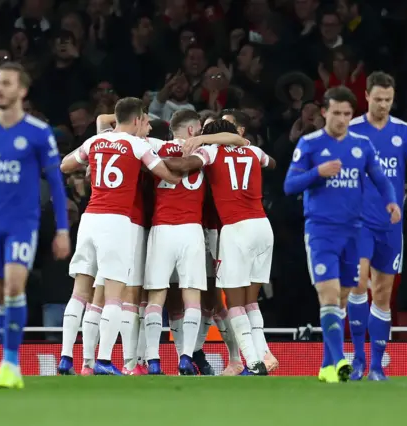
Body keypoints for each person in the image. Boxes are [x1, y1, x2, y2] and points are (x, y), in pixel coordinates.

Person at [0, 62, 71, 390]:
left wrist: (62, 229)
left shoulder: (37, 132)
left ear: (22, 90)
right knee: (0, 296)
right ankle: (8, 362)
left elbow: (57, 184)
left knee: (15, 285)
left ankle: (10, 363)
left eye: (6, 84)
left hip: (23, 223)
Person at [283, 86, 401, 384]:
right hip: (322, 231)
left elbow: (380, 178)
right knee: (330, 295)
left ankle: (325, 366)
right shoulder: (309, 145)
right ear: (325, 112)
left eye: (347, 114)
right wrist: (317, 173)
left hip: (354, 231)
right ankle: (339, 362)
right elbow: (289, 185)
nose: (342, 119)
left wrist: (391, 201)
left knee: (345, 297)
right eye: (336, 113)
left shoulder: (361, 145)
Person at [59, 97, 181, 375]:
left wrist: (90, 164)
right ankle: (103, 360)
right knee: (114, 295)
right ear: (138, 119)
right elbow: (167, 175)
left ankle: (66, 357)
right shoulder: (137, 145)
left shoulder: (95, 142)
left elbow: (66, 165)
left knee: (80, 291)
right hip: (116, 222)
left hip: (89, 219)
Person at [163, 119, 276, 375]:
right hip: (263, 227)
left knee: (234, 303)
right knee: (251, 302)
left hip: (235, 230)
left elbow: (183, 165)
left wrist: (154, 161)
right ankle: (262, 354)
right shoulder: (253, 150)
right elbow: (272, 163)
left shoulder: (211, 151)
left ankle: (252, 361)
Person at [143, 109, 248, 375]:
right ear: (191, 130)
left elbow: (117, 134)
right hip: (193, 229)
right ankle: (186, 357)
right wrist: (202, 143)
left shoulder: (155, 146)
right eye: (200, 129)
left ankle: (153, 360)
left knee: (157, 297)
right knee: (192, 298)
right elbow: (240, 142)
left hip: (162, 228)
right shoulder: (206, 154)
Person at [346, 71, 407, 381]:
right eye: (378, 99)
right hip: (358, 224)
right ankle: (357, 358)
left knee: (382, 294)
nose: (383, 104)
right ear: (366, 96)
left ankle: (376, 366)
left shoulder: (404, 132)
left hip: (390, 225)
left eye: (389, 100)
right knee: (357, 287)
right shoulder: (351, 130)